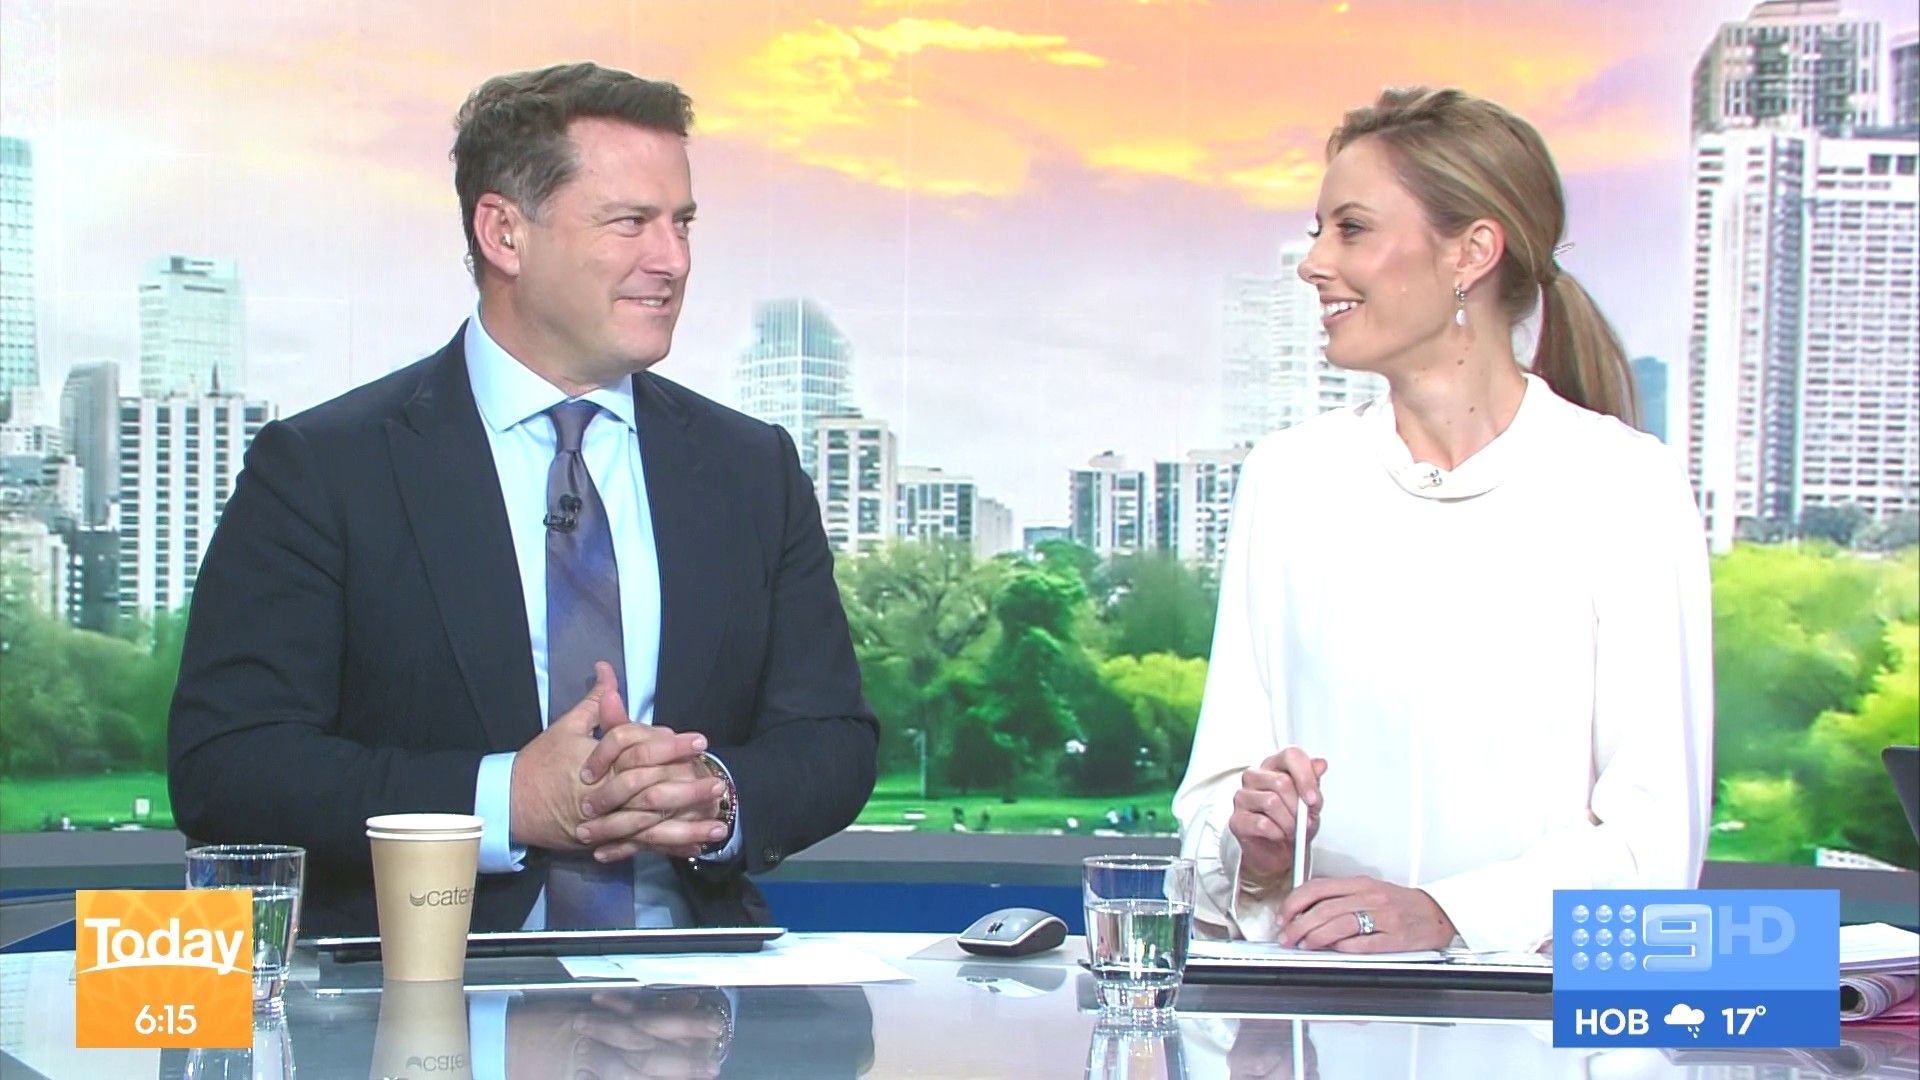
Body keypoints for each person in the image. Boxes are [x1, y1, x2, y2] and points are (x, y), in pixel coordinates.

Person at [168, 62, 878, 936]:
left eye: (683, 223)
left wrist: (715, 797)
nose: (674, 260)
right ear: (504, 233)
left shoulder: (750, 469)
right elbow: (229, 767)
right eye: (631, 223)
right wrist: (505, 800)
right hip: (426, 978)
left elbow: (833, 738)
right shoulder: (324, 469)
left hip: (695, 986)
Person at [1172, 87, 1712, 954]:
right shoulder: (1289, 481)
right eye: (1318, 231)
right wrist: (1253, 849)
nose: (1314, 263)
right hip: (1321, 1008)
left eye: (1350, 229)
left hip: (1539, 1021)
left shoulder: (1625, 487)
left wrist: (1447, 914)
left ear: (1472, 252)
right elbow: (1210, 815)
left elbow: (1653, 846)